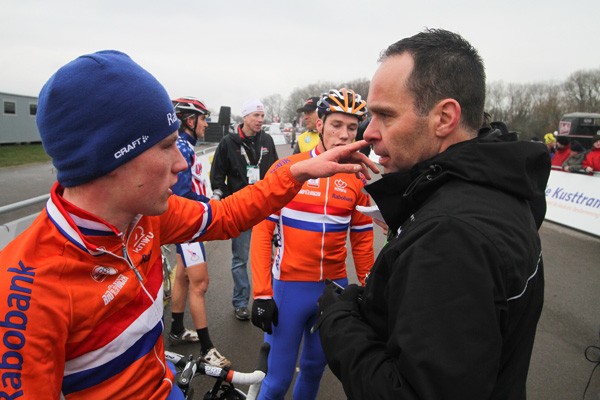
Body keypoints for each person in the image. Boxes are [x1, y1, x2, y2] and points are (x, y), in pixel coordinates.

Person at [0, 50, 378, 400]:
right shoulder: (24, 290)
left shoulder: (148, 218)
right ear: (111, 159)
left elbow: (228, 216)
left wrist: (295, 173)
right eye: (166, 147)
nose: (182, 164)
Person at [316, 29, 551, 400]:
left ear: (444, 118)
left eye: (384, 116)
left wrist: (337, 318)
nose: (368, 133)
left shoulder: (452, 235)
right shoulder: (495, 188)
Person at [249, 88, 375, 400]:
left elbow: (362, 242)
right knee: (276, 381)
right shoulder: (289, 168)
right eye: (336, 125)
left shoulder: (358, 179)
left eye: (351, 127)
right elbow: (262, 233)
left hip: (333, 291)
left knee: (314, 369)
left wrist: (371, 290)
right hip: (289, 288)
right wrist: (262, 293)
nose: (344, 135)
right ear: (319, 124)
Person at [166, 96, 231, 368]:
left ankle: (177, 329)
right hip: (189, 225)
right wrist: (212, 204)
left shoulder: (186, 145)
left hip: (189, 224)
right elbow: (181, 194)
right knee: (200, 284)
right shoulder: (183, 148)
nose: (206, 123)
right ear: (189, 121)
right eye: (203, 118)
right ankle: (207, 349)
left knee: (181, 276)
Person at [209, 99, 279, 321]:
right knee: (240, 259)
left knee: (268, 258)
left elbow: (276, 170)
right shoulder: (228, 142)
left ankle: (268, 299)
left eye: (262, 116)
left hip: (265, 209)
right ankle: (240, 303)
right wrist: (219, 196)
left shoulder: (266, 140)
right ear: (245, 117)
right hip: (240, 210)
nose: (260, 120)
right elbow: (217, 174)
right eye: (256, 116)